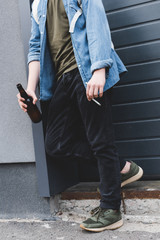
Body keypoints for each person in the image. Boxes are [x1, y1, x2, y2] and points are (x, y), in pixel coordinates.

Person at [17, 0, 143, 232]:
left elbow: (97, 23)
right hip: (62, 78)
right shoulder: (38, 5)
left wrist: (99, 70)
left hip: (87, 70)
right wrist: (31, 88)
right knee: (55, 143)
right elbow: (35, 47)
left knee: (100, 141)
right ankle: (122, 168)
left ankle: (111, 209)